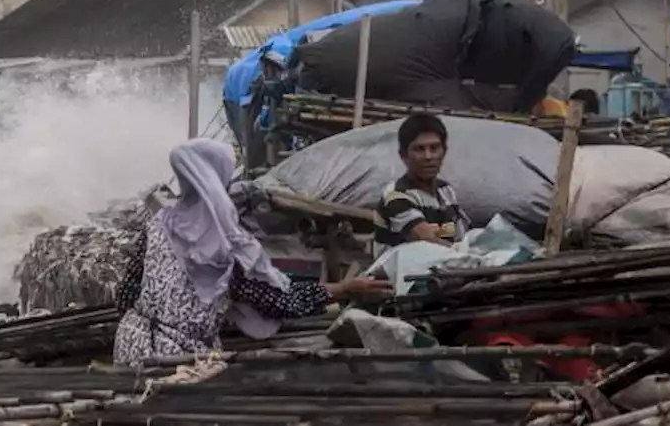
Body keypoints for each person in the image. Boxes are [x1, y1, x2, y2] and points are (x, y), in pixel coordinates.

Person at [113, 138, 393, 365]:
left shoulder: (160, 222)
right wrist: (345, 288)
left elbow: (126, 293)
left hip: (129, 346)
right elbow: (279, 301)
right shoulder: (223, 242)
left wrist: (151, 321)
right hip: (176, 360)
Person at [374, 114, 471, 253]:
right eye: (419, 149)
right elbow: (426, 240)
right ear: (403, 155)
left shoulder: (446, 191)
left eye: (434, 148)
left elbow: (462, 236)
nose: (428, 156)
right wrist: (468, 254)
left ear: (444, 152)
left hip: (443, 269)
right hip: (403, 272)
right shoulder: (396, 195)